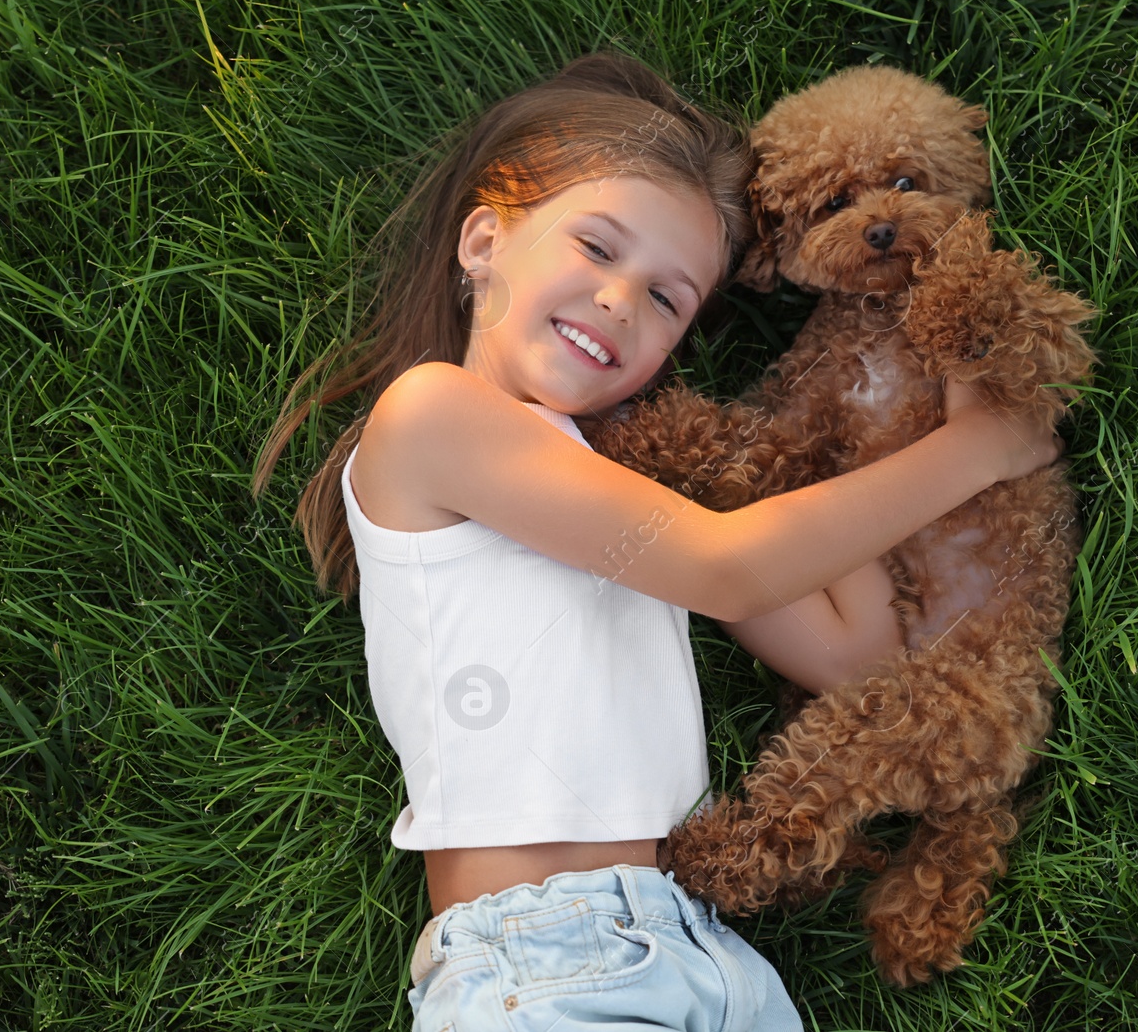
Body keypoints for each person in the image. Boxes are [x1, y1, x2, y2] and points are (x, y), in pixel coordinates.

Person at [252, 50, 1061, 1031]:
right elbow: (729, 567)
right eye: (596, 247)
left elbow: (856, 652)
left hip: (703, 954)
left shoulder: (623, 499)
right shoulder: (433, 415)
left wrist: (901, 412)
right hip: (542, 960)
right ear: (482, 239)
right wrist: (975, 451)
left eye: (668, 298)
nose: (619, 300)